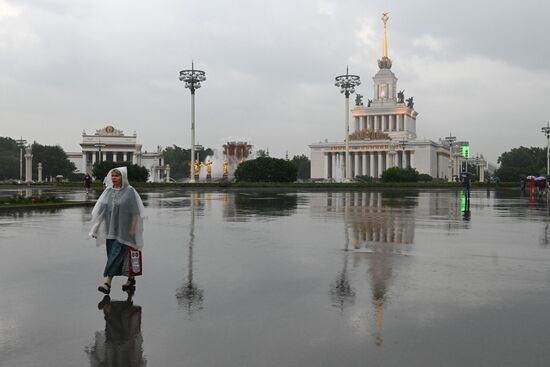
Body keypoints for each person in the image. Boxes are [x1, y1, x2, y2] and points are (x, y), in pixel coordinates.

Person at [89, 167, 146, 294]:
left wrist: (133, 228)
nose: (114, 178)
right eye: (112, 175)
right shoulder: (108, 191)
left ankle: (107, 283)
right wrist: (96, 228)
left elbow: (136, 212)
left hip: (125, 230)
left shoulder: (130, 192)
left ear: (123, 177)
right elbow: (102, 211)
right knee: (116, 255)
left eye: (117, 176)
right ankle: (131, 278)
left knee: (116, 255)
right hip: (111, 230)